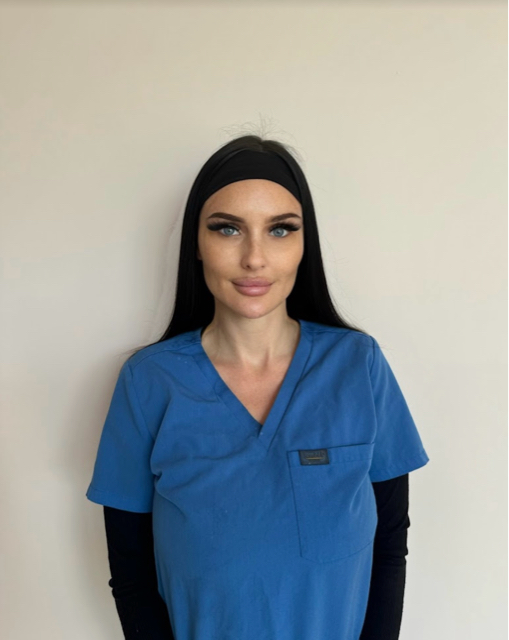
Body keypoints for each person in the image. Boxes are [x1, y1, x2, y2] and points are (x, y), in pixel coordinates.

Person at [86, 134, 430, 640]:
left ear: (304, 245)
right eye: (227, 229)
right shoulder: (149, 383)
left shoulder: (358, 366)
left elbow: (389, 544)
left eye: (280, 230)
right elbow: (132, 575)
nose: (254, 258)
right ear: (196, 244)